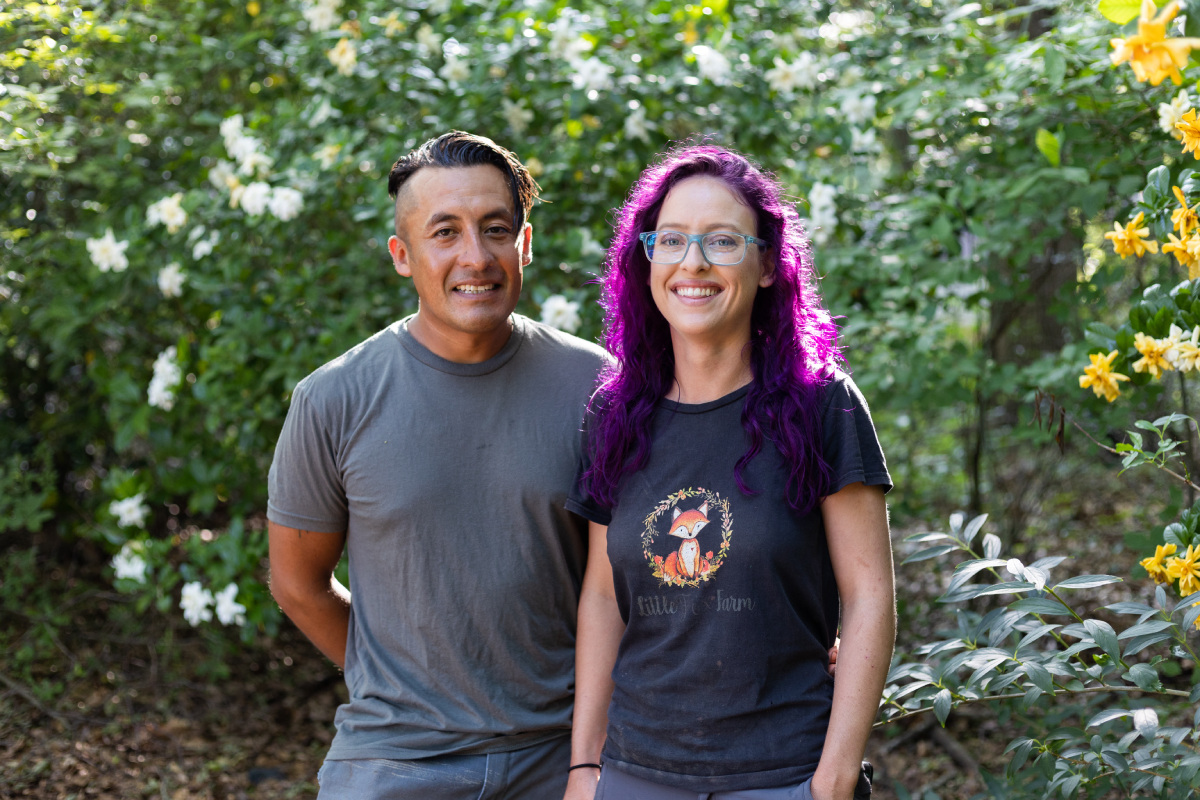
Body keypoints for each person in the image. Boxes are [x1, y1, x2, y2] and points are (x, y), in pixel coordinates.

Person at [266, 131, 608, 799]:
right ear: (403, 255)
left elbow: (631, 582)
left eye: (495, 229)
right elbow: (297, 583)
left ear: (525, 244)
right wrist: (399, 681)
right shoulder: (333, 400)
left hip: (563, 757)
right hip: (394, 758)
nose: (474, 257)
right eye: (444, 232)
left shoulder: (597, 389)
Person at [563, 145, 895, 800]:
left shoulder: (821, 405)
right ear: (647, 259)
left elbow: (869, 596)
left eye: (721, 241)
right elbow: (602, 598)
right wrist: (584, 766)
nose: (693, 263)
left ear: (768, 264)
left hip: (784, 773)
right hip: (635, 772)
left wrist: (833, 780)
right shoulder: (614, 414)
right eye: (672, 240)